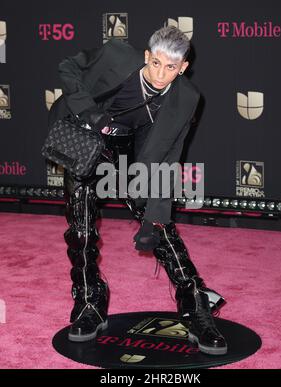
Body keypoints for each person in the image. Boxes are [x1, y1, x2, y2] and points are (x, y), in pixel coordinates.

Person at [48, 26, 227, 355]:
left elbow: (168, 158)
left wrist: (152, 221)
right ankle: (90, 301)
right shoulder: (116, 54)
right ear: (147, 56)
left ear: (183, 67)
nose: (161, 75)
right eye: (156, 64)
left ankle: (194, 302)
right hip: (86, 135)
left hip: (130, 152)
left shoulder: (186, 98)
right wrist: (90, 111)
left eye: (171, 68)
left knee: (158, 225)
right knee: (81, 224)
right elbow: (68, 66)